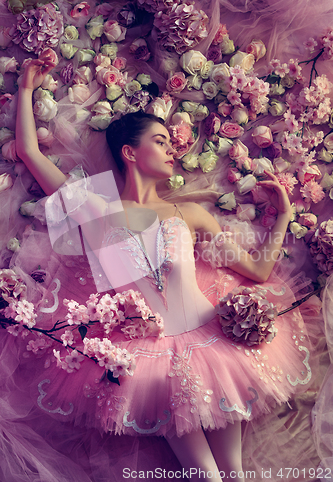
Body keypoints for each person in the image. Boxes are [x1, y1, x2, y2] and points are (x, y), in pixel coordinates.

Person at [13, 50, 314, 482]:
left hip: (215, 342)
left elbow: (258, 272)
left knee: (235, 473)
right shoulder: (94, 209)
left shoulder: (190, 215)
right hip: (150, 357)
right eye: (159, 141)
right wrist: (26, 89)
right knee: (205, 476)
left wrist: (283, 218)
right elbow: (28, 152)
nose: (171, 148)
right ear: (129, 153)